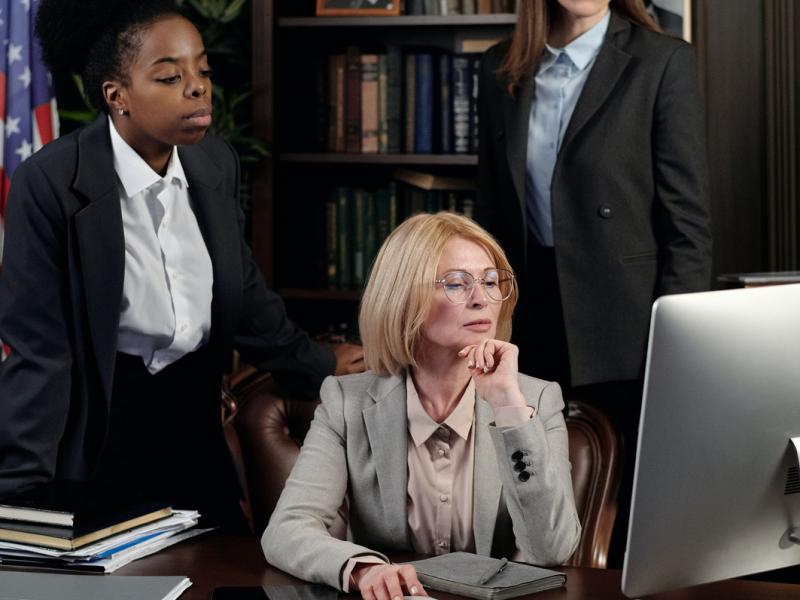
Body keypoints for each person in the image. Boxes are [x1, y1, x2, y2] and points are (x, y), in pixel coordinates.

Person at [0, 0, 363, 529]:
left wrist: (320, 364)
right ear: (115, 95)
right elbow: (40, 352)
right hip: (95, 449)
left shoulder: (214, 163)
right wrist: (20, 499)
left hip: (195, 435)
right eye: (170, 76)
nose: (197, 87)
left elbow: (245, 298)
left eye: (203, 71)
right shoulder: (51, 183)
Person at [475, 0, 712, 565]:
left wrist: (677, 344)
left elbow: (689, 225)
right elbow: (486, 211)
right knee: (527, 497)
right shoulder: (499, 66)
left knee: (633, 516)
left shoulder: (661, 61)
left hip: (628, 325)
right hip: (526, 314)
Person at [262, 212, 580, 598]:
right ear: (403, 297)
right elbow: (287, 528)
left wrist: (509, 408)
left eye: (491, 281)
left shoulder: (535, 400)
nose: (481, 299)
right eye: (457, 284)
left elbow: (552, 550)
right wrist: (363, 568)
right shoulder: (346, 401)